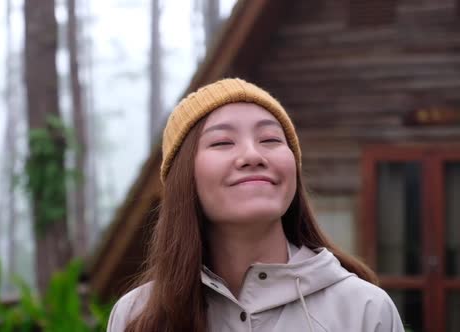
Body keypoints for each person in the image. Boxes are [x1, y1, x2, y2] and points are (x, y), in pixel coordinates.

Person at [107, 78, 405, 332]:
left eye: (271, 139)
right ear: (184, 177)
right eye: (223, 142)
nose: (252, 155)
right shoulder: (136, 317)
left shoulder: (364, 310)